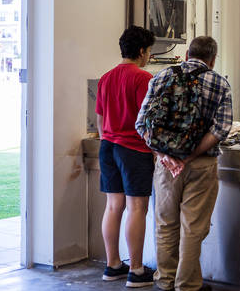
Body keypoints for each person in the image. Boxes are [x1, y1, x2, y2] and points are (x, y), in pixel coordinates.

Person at [136, 36, 232, 291]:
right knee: (193, 227)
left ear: (187, 54)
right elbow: (221, 128)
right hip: (201, 165)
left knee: (166, 224)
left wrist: (166, 155)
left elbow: (141, 123)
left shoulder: (161, 77)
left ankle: (165, 280)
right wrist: (189, 155)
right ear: (212, 59)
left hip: (166, 166)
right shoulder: (219, 82)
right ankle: (187, 284)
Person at [95, 25, 156, 287]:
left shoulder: (105, 78)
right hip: (133, 149)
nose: (149, 56)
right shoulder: (142, 78)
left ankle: (113, 265)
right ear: (142, 51)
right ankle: (137, 271)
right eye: (149, 51)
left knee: (112, 206)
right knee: (137, 208)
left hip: (107, 146)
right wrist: (155, 151)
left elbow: (99, 120)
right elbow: (147, 121)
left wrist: (109, 137)